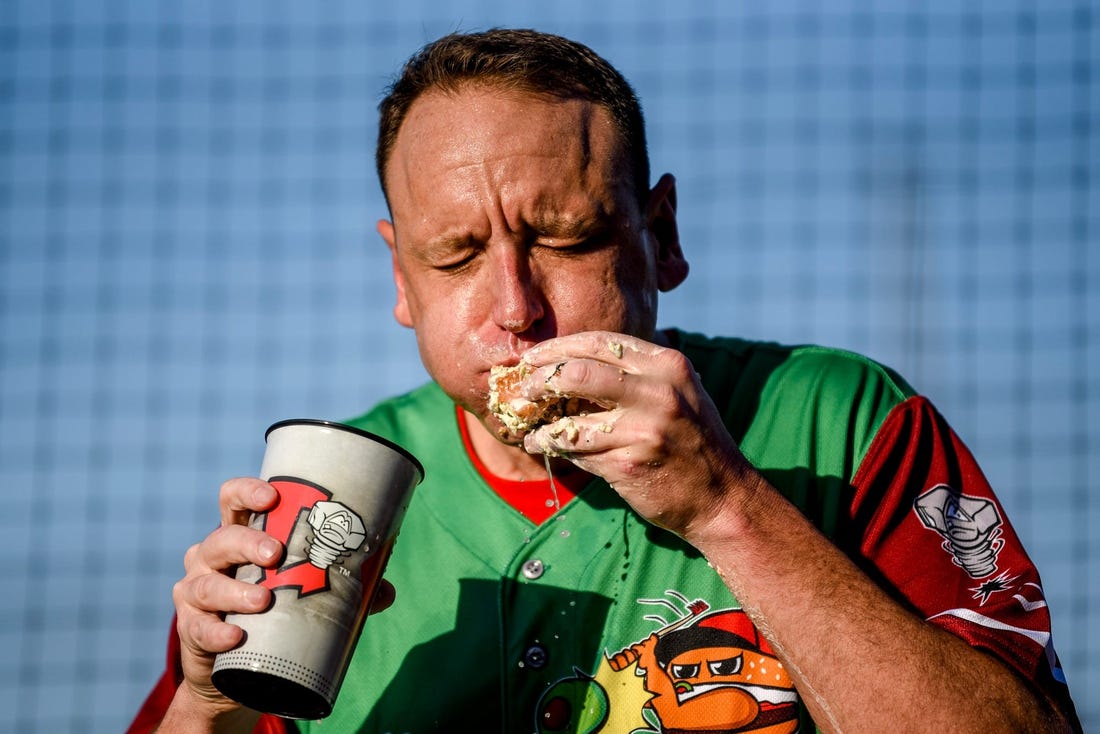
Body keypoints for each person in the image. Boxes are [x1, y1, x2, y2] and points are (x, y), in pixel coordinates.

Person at [130, 28, 1082, 733]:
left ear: (659, 235)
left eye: (566, 239)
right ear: (399, 281)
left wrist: (728, 508)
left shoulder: (841, 419)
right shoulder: (329, 499)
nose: (514, 307)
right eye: (455, 256)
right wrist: (206, 703)